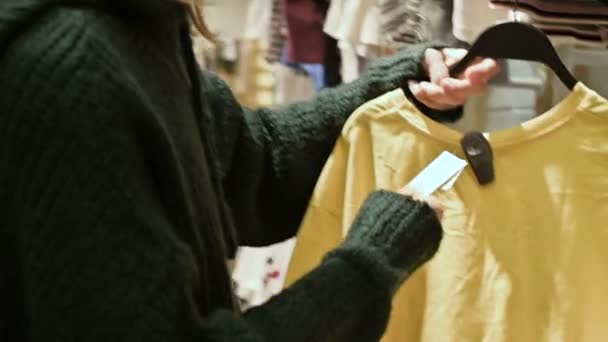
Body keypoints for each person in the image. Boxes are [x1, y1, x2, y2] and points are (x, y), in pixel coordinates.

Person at [0, 0, 498, 340]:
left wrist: (401, 90)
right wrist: (368, 266)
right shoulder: (74, 72)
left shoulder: (138, 27)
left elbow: (249, 161)